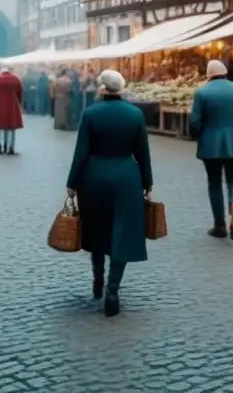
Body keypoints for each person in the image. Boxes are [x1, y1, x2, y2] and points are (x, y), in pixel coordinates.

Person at [66, 70, 153, 318]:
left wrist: (72, 183)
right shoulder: (135, 114)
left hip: (94, 177)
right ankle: (112, 289)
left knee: (96, 228)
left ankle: (97, 280)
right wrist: (148, 181)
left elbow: (81, 151)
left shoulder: (90, 113)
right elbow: (142, 152)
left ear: (102, 88)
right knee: (121, 232)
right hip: (127, 177)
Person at [189, 60, 233, 240]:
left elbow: (194, 121)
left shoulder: (202, 92)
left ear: (209, 75)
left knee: (214, 183)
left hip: (210, 144)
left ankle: (219, 225)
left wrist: (198, 137)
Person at [0, 67, 24, 154]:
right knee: (11, 127)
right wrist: (18, 102)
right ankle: (10, 147)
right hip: (12, 105)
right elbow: (20, 93)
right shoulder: (16, 80)